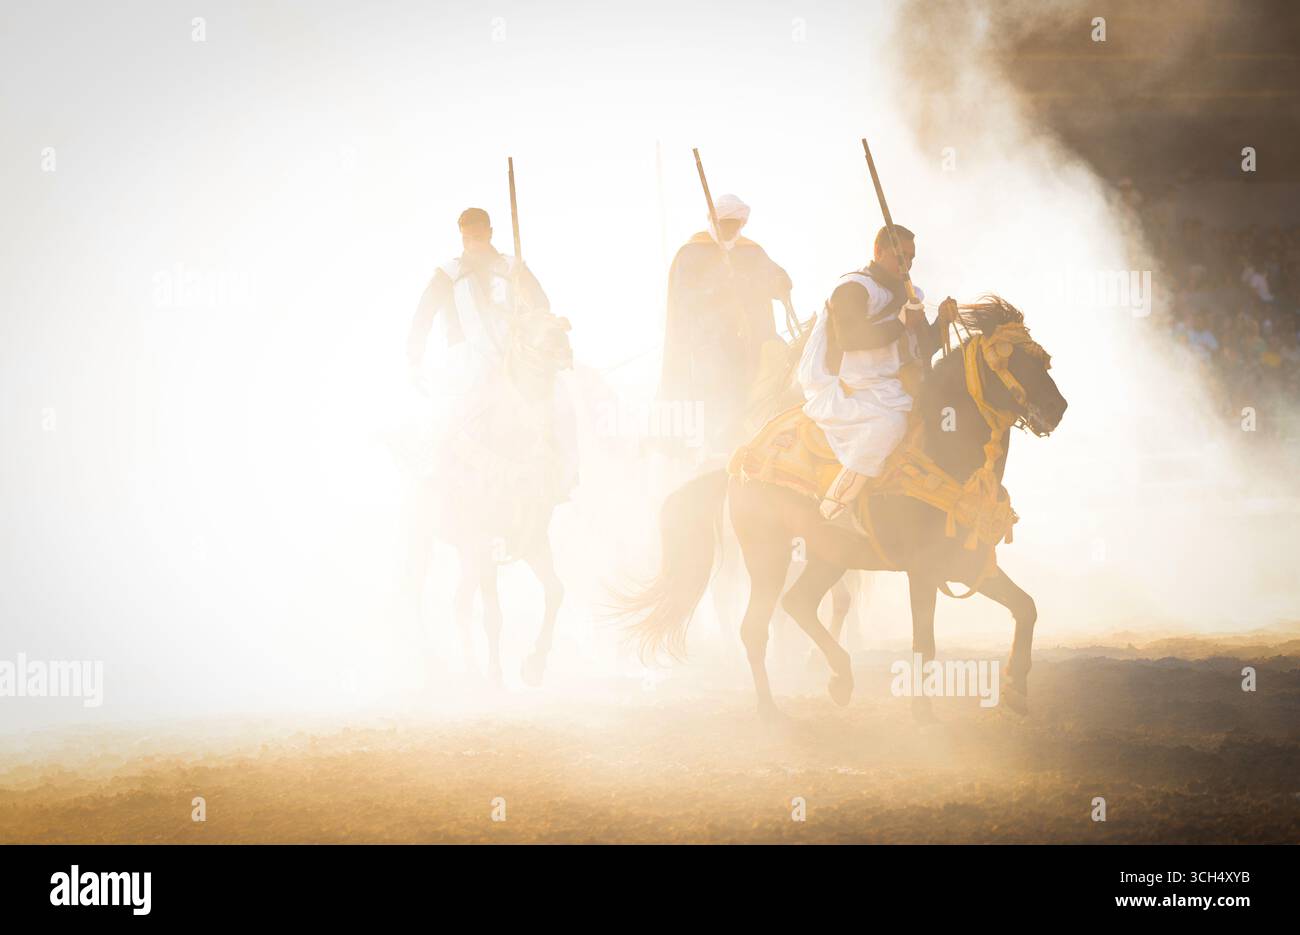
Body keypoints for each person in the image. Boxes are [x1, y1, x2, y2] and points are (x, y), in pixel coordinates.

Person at [798, 224, 956, 520]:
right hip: (848, 385)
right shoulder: (853, 288)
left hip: (892, 385)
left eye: (911, 258)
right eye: (900, 257)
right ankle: (835, 505)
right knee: (889, 425)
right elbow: (850, 339)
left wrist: (941, 324)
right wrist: (901, 323)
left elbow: (921, 348)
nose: (906, 265)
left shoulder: (910, 293)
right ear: (878, 251)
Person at [659, 194, 793, 457]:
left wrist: (776, 283)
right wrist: (720, 287)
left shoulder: (751, 251)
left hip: (752, 342)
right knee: (720, 399)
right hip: (710, 344)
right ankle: (717, 452)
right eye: (725, 224)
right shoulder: (691, 253)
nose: (730, 229)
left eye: (735, 224)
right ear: (713, 221)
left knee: (769, 382)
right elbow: (684, 297)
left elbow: (777, 278)